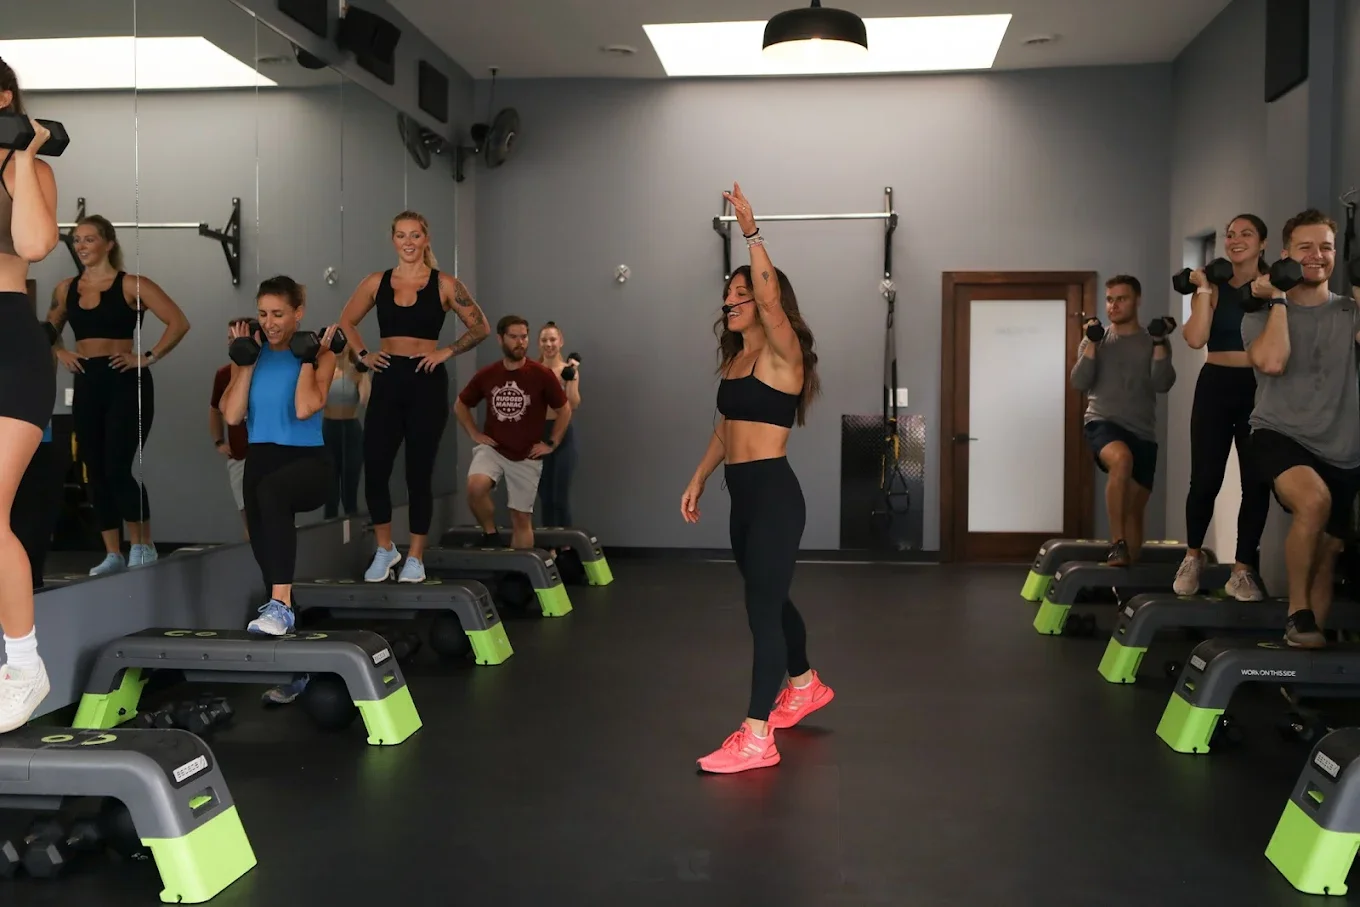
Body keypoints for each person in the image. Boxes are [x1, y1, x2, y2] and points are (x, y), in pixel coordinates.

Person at [680, 183, 832, 775]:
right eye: (728, 294)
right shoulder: (736, 360)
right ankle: (805, 683)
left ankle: (756, 735)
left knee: (761, 610)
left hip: (773, 495)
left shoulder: (782, 353)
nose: (731, 301)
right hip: (741, 498)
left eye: (742, 294)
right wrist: (698, 477)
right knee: (767, 598)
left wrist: (751, 232)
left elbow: (771, 304)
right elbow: (727, 429)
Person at [339, 211, 489, 584]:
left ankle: (416, 557)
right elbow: (346, 321)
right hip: (388, 378)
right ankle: (385, 549)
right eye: (402, 235)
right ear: (393, 239)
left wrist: (446, 352)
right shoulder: (376, 282)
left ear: (426, 239)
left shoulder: (445, 284)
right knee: (375, 467)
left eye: (415, 235)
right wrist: (363, 355)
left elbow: (481, 326)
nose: (408, 242)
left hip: (426, 381)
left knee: (418, 472)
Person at [46, 214, 191, 575]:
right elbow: (47, 329)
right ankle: (113, 553)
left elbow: (178, 321)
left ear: (108, 243)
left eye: (89, 239)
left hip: (125, 380)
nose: (81, 246)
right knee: (94, 469)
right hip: (87, 381)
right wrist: (60, 352)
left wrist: (148, 357)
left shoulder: (131, 285)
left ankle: (143, 544)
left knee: (117, 467)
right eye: (77, 240)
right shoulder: (66, 289)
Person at [1242, 208, 1360, 649]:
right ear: (1285, 255)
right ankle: (1297, 611)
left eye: (1326, 247)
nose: (1317, 255)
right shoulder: (1259, 313)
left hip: (1343, 447)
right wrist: (1277, 297)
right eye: (1305, 247)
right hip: (1279, 434)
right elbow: (1272, 362)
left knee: (1328, 553)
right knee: (1314, 501)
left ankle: (1303, 660)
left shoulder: (1349, 311)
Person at [218, 276, 337, 637]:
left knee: (272, 492)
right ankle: (286, 613)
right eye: (263, 314)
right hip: (260, 460)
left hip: (308, 463)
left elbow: (304, 408)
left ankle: (280, 606)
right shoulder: (250, 355)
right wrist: (245, 363)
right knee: (265, 552)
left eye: (278, 314)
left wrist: (307, 358)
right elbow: (232, 415)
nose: (269, 323)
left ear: (298, 313)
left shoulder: (323, 355)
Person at [0, 57, 61, 732]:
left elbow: (36, 244)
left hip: (8, 344)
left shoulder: (28, 169)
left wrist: (22, 153)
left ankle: (23, 664)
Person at [1173, 215, 1272, 600]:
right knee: (1205, 478)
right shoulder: (1213, 286)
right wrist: (1202, 289)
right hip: (1215, 385)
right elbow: (1196, 337)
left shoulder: (1273, 287)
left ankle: (1242, 570)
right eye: (1230, 235)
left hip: (1260, 389)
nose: (1235, 239)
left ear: (1262, 243)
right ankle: (1193, 556)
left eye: (1246, 233)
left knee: (1256, 483)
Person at [1071, 275, 1177, 567]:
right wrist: (1092, 344)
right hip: (1102, 421)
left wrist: (1159, 342)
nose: (1113, 305)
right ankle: (1116, 543)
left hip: (1143, 431)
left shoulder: (1152, 340)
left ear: (1137, 300)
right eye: (1109, 300)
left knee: (1134, 512)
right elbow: (1079, 382)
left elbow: (1162, 383)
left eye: (1121, 299)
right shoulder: (1096, 339)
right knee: (1121, 459)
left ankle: (1126, 579)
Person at [454, 316, 571, 550]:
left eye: (524, 337)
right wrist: (475, 434)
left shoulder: (541, 374)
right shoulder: (488, 374)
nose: (520, 342)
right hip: (494, 448)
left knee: (521, 518)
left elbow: (565, 409)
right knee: (475, 488)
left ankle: (518, 569)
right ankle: (490, 534)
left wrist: (552, 442)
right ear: (501, 339)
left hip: (526, 453)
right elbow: (460, 405)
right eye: (514, 337)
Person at [535, 322, 581, 528]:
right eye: (544, 340)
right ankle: (549, 543)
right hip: (539, 433)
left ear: (560, 342)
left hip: (563, 434)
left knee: (560, 497)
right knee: (545, 497)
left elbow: (574, 404)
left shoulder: (568, 371)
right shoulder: (533, 371)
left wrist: (569, 380)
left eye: (552, 339)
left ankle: (565, 543)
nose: (549, 344)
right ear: (539, 343)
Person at [210, 320, 252, 539]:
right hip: (238, 453)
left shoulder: (265, 370)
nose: (231, 343)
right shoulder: (224, 374)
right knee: (245, 510)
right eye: (229, 338)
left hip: (266, 450)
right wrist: (219, 441)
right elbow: (215, 410)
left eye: (236, 338)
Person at [323, 345, 370, 519]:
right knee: (330, 492)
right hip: (329, 429)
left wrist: (363, 372)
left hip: (351, 430)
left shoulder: (356, 372)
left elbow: (365, 400)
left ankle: (353, 529)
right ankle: (330, 532)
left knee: (350, 491)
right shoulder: (322, 371)